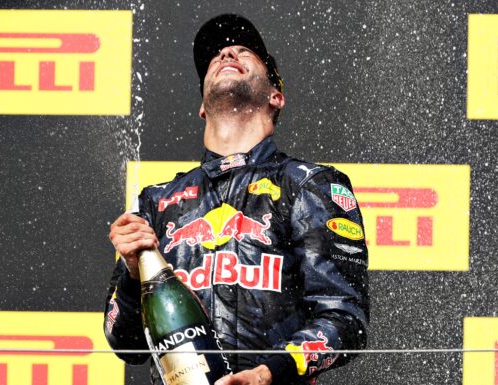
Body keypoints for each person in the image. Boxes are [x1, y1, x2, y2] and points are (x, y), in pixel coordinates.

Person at [104, 13, 370, 385]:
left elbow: (345, 322)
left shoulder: (310, 184)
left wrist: (267, 374)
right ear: (201, 106)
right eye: (216, 56)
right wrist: (134, 277)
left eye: (244, 52)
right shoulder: (157, 202)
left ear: (276, 96)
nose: (227, 52)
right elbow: (125, 343)